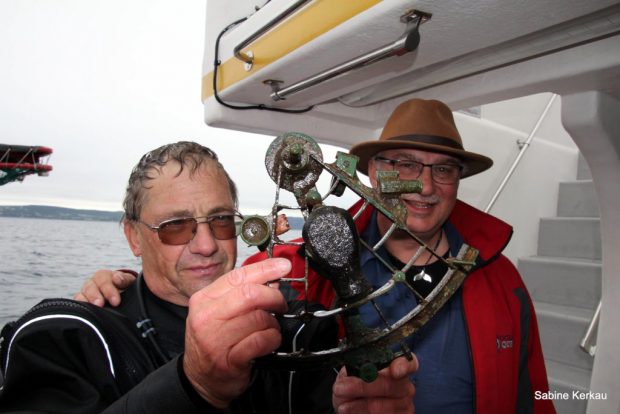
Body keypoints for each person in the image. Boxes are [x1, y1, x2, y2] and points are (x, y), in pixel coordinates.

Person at [75, 98, 556, 413]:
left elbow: (535, 391)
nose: (425, 186)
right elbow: (206, 292)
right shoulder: (302, 271)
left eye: (444, 170)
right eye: (404, 164)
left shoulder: (503, 279)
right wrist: (128, 282)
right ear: (370, 172)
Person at [0, 141, 417, 413]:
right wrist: (195, 386)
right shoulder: (63, 337)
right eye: (176, 226)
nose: (205, 245)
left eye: (220, 221)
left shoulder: (300, 330)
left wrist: (360, 403)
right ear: (133, 237)